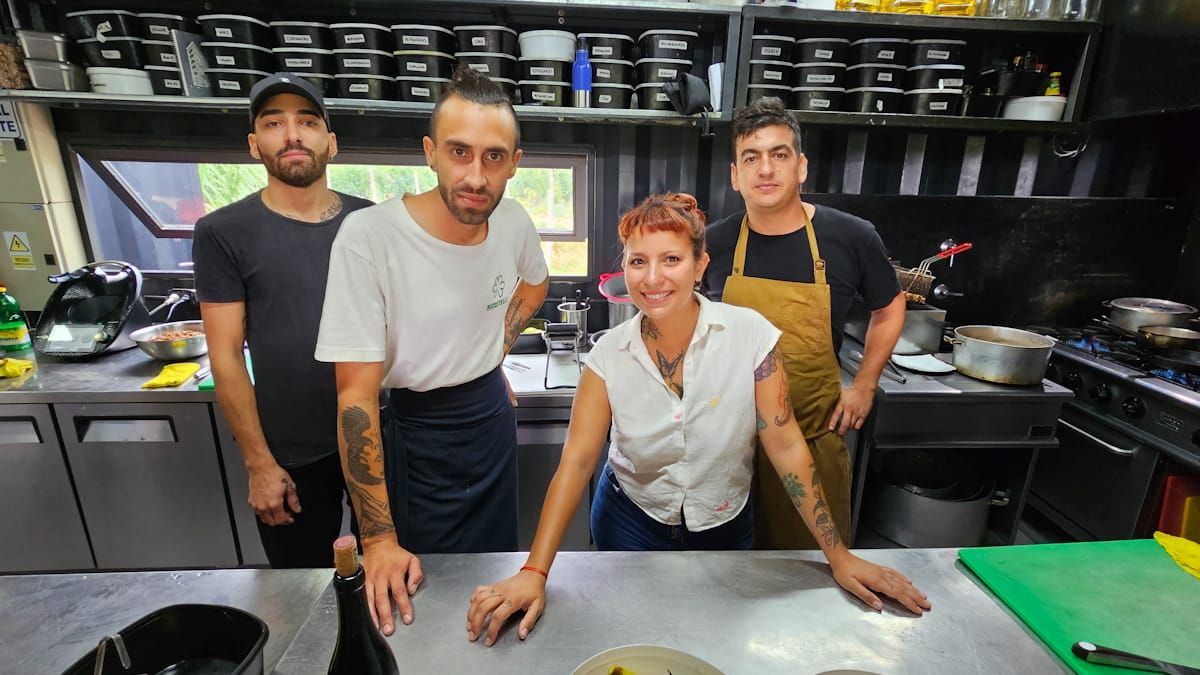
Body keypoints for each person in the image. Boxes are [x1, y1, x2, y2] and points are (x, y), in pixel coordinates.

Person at [465, 193, 929, 647]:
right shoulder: (608, 354)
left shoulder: (750, 337)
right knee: (632, 639)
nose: (652, 278)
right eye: (637, 261)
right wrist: (534, 571)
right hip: (630, 522)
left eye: (671, 259)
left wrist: (838, 555)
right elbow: (577, 462)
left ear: (700, 266)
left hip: (723, 524)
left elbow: (785, 446)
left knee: (716, 639)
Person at [314, 67, 549, 636]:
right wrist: (379, 539)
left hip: (489, 421)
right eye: (459, 152)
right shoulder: (369, 237)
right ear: (430, 153)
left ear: (515, 162)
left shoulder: (513, 220)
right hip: (417, 434)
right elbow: (355, 397)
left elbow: (534, 284)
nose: (476, 175)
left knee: (493, 576)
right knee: (421, 602)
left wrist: (490, 351)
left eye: (494, 157)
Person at [704, 98, 906, 550]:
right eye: (751, 158)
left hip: (812, 444)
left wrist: (865, 385)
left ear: (801, 167)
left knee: (809, 577)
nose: (765, 169)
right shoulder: (714, 243)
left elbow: (890, 307)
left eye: (780, 155)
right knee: (724, 579)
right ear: (736, 176)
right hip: (728, 451)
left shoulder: (852, 236)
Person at [193, 74, 373, 568]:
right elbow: (226, 354)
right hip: (290, 454)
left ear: (330, 142)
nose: (292, 135)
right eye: (274, 123)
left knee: (386, 579)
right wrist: (258, 463)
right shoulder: (222, 233)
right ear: (255, 145)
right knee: (301, 591)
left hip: (372, 442)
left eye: (307, 122)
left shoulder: (370, 222)